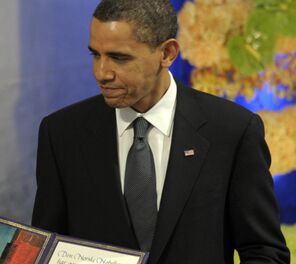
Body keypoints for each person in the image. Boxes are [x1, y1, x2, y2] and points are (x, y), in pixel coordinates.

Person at [31, 0, 290, 263]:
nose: (101, 73)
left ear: (167, 53)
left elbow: (264, 252)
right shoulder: (61, 134)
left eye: (119, 58)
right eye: (96, 55)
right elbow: (44, 248)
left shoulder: (232, 131)